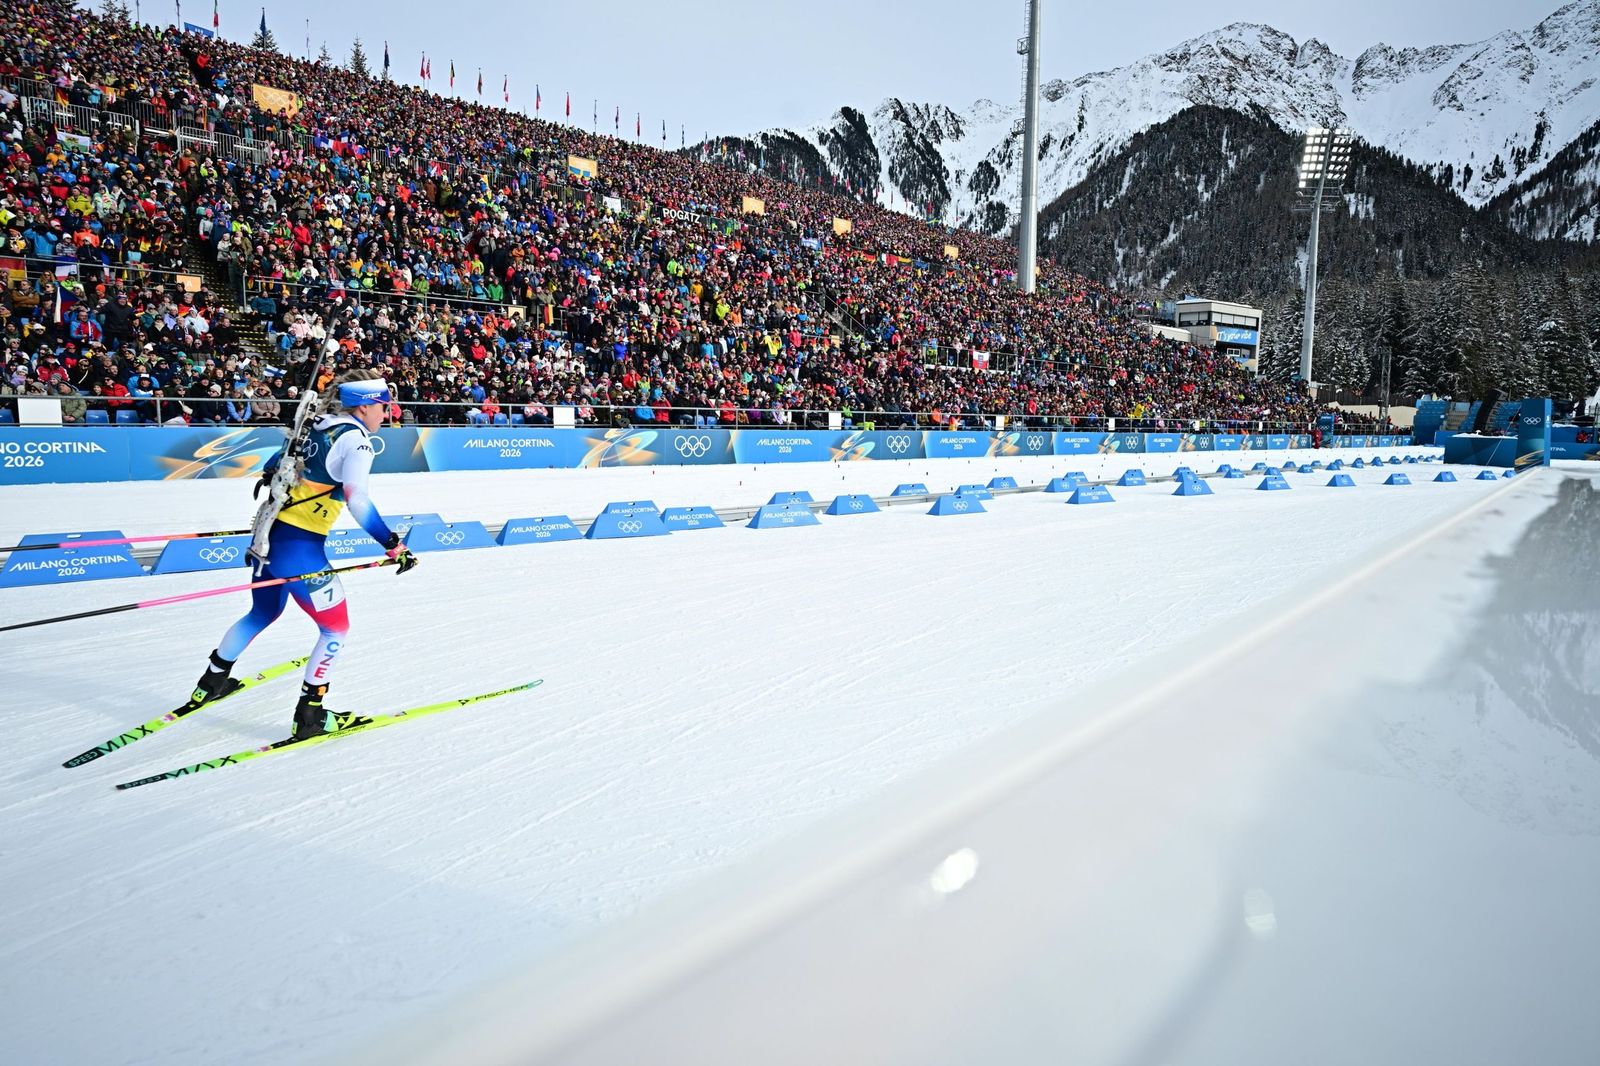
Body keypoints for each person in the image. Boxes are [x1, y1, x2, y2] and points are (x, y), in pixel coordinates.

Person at [190, 369, 419, 740]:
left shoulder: (315, 425)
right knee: (335, 628)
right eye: (383, 405)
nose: (388, 412)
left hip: (268, 539)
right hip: (299, 549)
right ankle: (310, 715)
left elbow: (272, 466)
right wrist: (392, 543)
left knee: (262, 612)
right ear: (363, 407)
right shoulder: (357, 441)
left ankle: (211, 682)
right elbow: (357, 500)